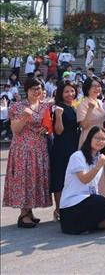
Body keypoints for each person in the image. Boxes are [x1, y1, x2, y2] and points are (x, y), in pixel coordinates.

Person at [2, 77, 52, 228]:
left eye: (39, 88)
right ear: (27, 90)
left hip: (39, 148)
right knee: (24, 178)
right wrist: (25, 116)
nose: (36, 91)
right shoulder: (17, 106)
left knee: (34, 178)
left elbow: (48, 126)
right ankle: (23, 213)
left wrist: (46, 128)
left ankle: (29, 211)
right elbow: (15, 129)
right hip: (22, 149)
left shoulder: (45, 106)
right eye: (33, 89)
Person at [58, 126, 105, 234]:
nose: (100, 141)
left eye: (103, 139)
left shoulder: (99, 158)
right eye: (97, 138)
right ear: (90, 139)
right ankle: (78, 226)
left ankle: (92, 224)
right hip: (72, 205)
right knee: (100, 202)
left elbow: (93, 186)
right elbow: (84, 179)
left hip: (87, 201)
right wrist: (98, 166)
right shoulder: (77, 156)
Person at [50, 81, 80, 222]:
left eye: (72, 91)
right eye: (66, 91)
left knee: (73, 178)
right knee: (60, 178)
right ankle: (59, 209)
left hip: (74, 145)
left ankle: (70, 208)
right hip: (62, 147)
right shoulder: (58, 108)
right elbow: (58, 131)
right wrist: (58, 115)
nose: (70, 94)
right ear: (60, 93)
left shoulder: (73, 107)